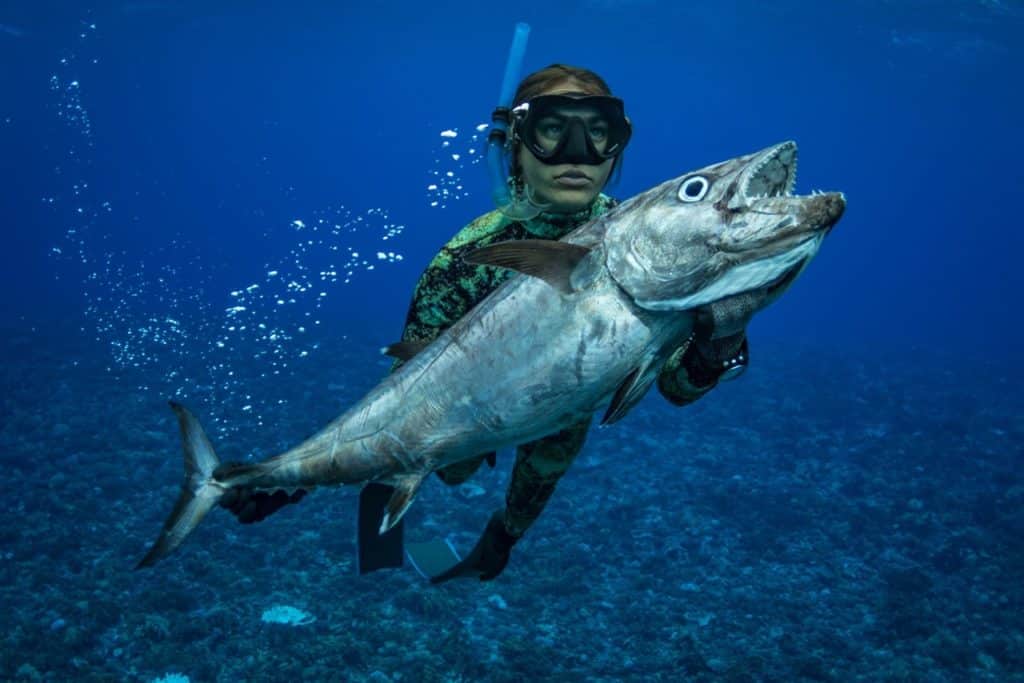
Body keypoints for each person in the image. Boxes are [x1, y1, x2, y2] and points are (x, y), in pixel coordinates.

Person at [221, 64, 765, 582]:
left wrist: (725, 334)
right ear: (517, 145)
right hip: (462, 410)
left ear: (619, 144)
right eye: (552, 132)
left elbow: (677, 387)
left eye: (599, 133)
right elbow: (406, 394)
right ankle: (338, 495)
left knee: (546, 461)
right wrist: (293, 484)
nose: (576, 155)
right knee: (444, 464)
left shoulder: (663, 239)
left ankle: (497, 542)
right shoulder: (466, 257)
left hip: (564, 409)